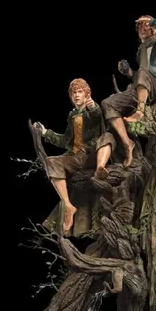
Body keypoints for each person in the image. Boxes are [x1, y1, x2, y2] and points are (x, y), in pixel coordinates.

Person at [34, 79, 116, 233]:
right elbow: (65, 141)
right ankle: (68, 206)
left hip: (92, 155)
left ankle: (100, 168)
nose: (77, 95)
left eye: (80, 92)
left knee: (107, 137)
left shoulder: (93, 109)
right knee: (51, 161)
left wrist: (92, 106)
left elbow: (96, 115)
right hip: (75, 157)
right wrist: (45, 133)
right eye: (74, 93)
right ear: (71, 96)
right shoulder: (72, 115)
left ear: (86, 94)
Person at [99, 15, 156, 168]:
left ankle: (140, 111)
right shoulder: (140, 51)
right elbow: (139, 78)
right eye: (140, 26)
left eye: (146, 25)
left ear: (155, 30)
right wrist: (128, 72)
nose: (142, 28)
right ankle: (127, 143)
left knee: (142, 72)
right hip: (142, 89)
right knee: (108, 103)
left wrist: (153, 21)